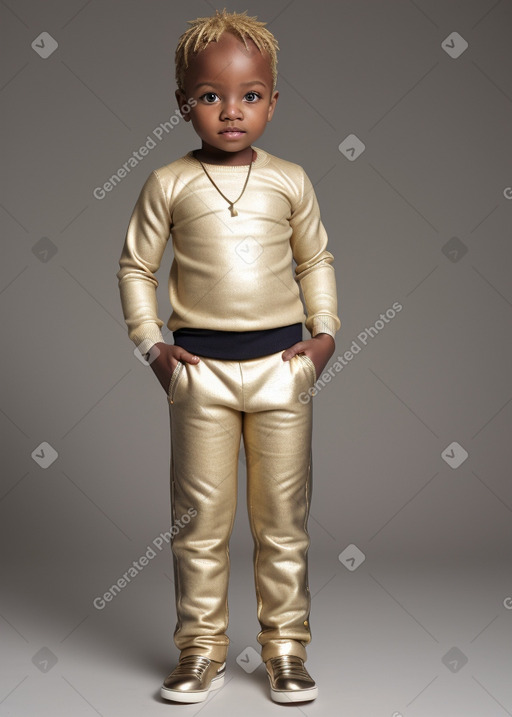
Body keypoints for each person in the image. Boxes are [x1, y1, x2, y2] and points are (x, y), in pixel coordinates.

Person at [116, 8, 340, 705]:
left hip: (282, 370)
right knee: (199, 523)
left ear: (273, 100)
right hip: (199, 375)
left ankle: (285, 651)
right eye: (211, 96)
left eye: (250, 95)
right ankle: (201, 649)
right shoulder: (168, 183)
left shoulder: (291, 180)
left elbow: (316, 259)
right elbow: (134, 266)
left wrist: (325, 335)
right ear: (184, 103)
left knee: (282, 522)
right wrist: (152, 346)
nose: (231, 111)